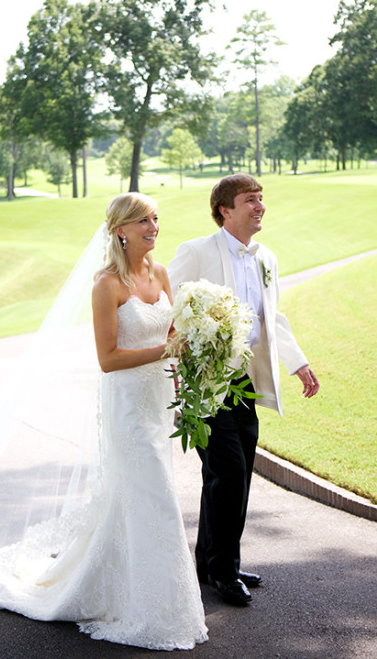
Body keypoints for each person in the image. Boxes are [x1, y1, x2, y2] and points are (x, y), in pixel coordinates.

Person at [0, 192, 207, 651]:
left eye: (155, 219)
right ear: (120, 230)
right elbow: (108, 359)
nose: (154, 227)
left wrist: (195, 345)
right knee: (158, 499)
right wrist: (165, 351)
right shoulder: (106, 285)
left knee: (139, 499)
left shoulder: (161, 273)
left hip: (157, 403)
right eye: (144, 221)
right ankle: (155, 610)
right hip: (127, 406)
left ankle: (128, 589)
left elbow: (168, 330)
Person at [168, 173, 320, 608]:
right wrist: (180, 356)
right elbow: (167, 307)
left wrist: (299, 363)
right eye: (250, 200)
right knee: (229, 472)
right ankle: (221, 571)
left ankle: (214, 562)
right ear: (224, 210)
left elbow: (272, 318)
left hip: (246, 384)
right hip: (206, 384)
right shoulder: (196, 252)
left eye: (261, 199)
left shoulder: (265, 256)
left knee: (230, 475)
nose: (260, 207)